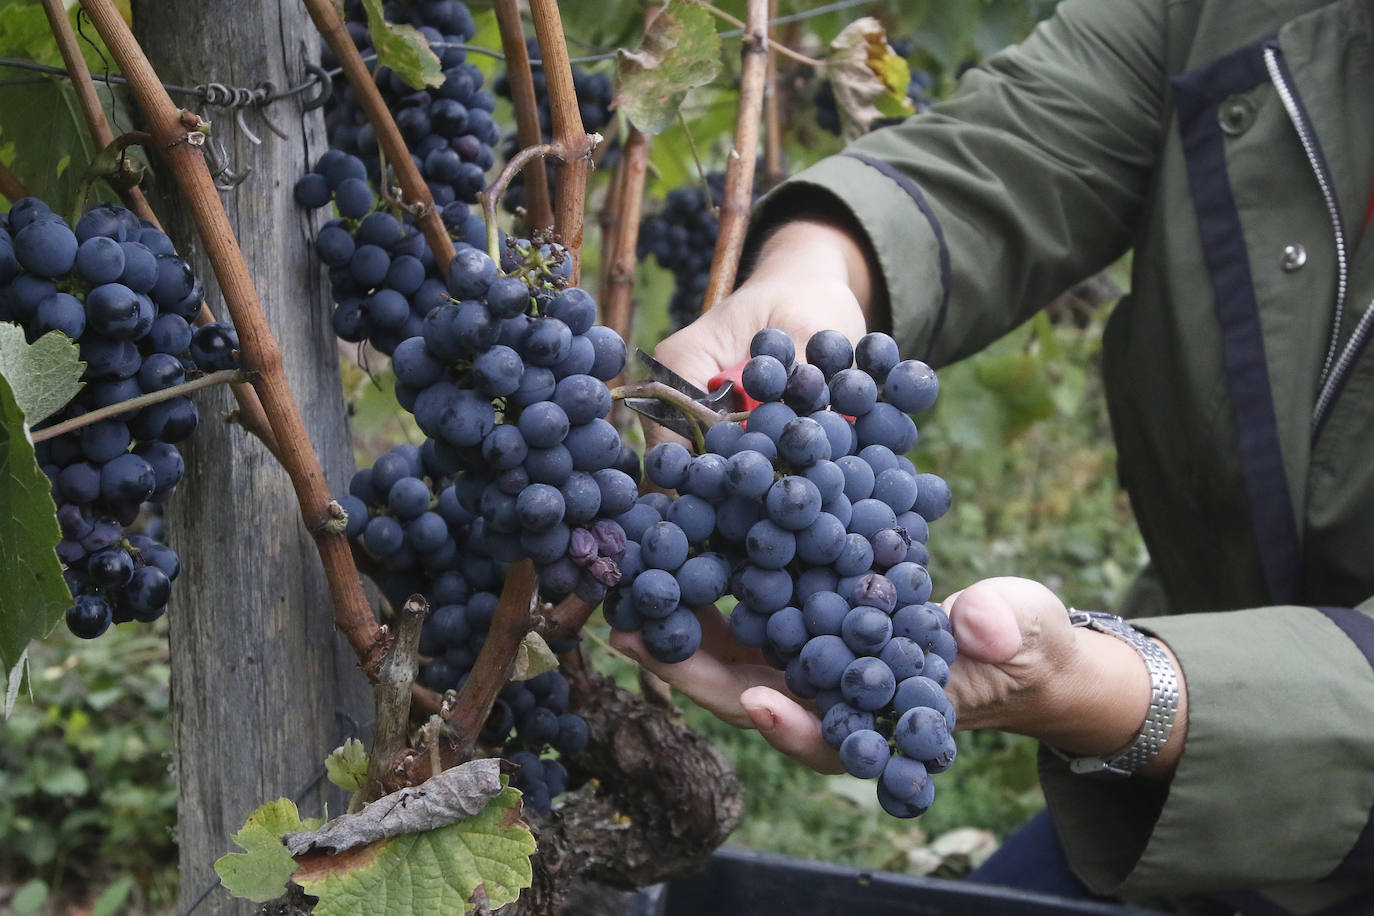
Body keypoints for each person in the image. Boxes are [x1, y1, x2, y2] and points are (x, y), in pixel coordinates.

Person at [610, 0, 1374, 913]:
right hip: (1170, 777)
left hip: (1195, 722)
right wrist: (818, 268)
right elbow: (1020, 146)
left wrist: (1131, 691)